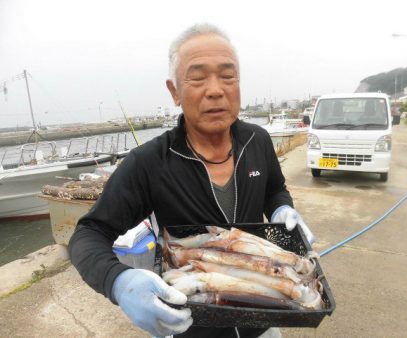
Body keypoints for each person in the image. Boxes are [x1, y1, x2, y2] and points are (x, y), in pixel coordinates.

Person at [69, 23, 315, 338]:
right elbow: (89, 233)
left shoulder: (258, 140)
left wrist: (282, 209)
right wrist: (117, 281)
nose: (215, 89)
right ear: (174, 91)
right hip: (190, 326)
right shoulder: (149, 163)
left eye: (228, 76)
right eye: (198, 77)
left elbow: (274, 190)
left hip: (262, 320)